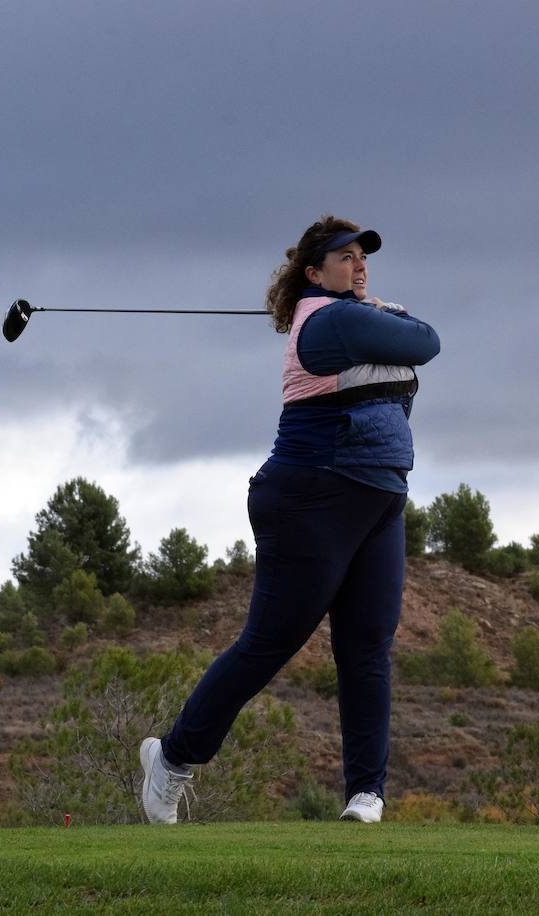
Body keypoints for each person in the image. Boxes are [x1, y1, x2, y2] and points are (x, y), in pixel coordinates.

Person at [139, 215, 441, 824]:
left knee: (367, 649)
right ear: (313, 273)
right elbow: (427, 341)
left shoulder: (354, 316)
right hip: (312, 496)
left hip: (379, 496)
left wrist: (389, 313)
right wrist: (393, 313)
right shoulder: (334, 320)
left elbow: (412, 343)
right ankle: (170, 761)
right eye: (345, 257)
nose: (359, 265)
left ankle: (365, 795)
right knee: (269, 645)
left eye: (363, 257)